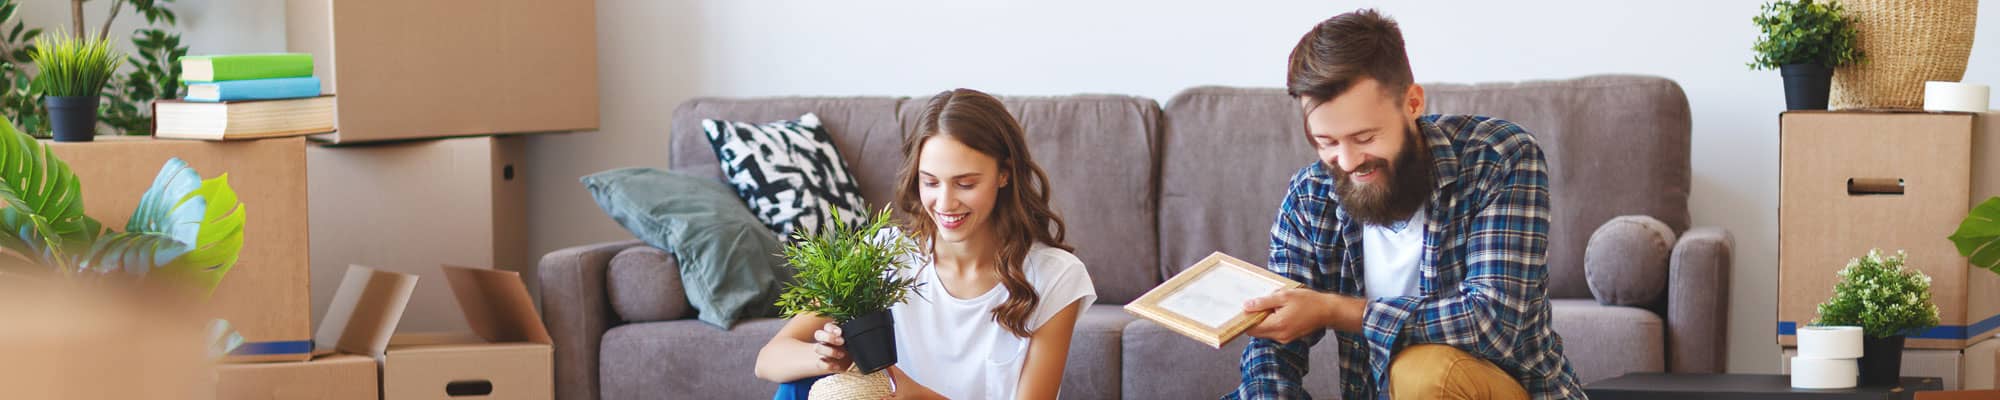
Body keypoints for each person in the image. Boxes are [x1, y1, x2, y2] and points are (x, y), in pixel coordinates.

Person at [1228, 9, 1584, 400]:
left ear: (1412, 103)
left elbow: (1491, 323)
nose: (1347, 162)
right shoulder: (1309, 197)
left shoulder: (1499, 157)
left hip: (1506, 390)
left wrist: (1334, 310)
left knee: (1424, 372)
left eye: (1364, 137)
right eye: (1327, 142)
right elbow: (1275, 351)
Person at [754, 88, 1097, 400]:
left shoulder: (1055, 276)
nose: (945, 203)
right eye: (930, 182)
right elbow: (769, 359)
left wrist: (916, 395)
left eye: (965, 184)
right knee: (797, 386)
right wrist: (827, 359)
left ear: (1004, 174)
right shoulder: (885, 254)